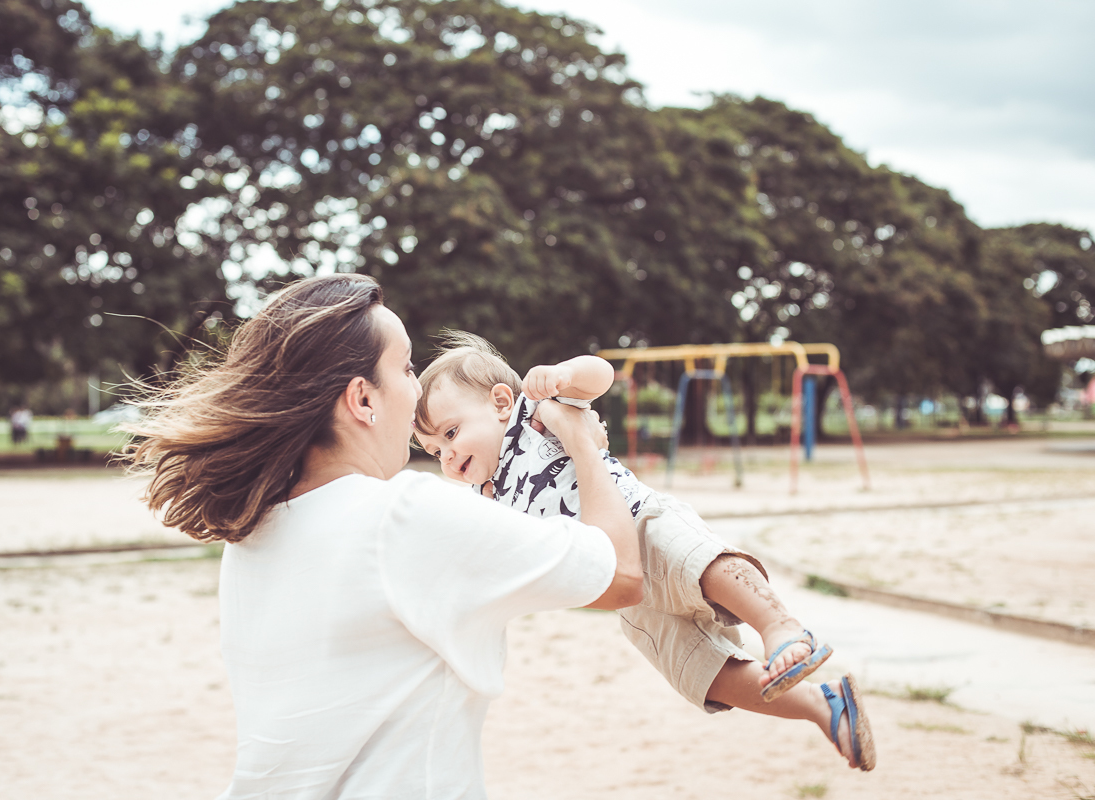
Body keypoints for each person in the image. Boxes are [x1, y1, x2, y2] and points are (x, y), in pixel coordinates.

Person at [122, 275, 643, 799]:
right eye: (408, 367)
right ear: (363, 400)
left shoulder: (253, 534)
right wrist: (579, 438)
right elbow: (621, 575)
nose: (417, 390)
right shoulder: (403, 515)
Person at [412, 332, 876, 772]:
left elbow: (600, 376)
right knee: (699, 672)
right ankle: (823, 704)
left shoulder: (535, 414)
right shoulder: (484, 503)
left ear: (498, 403)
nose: (447, 457)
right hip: (623, 589)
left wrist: (565, 373)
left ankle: (781, 627)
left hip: (642, 522)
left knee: (698, 561)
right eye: (435, 451)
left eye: (451, 434)